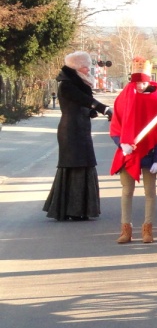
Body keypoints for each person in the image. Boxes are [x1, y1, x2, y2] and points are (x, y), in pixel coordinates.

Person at [43, 51, 112, 221]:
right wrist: (103, 109)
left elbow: (82, 103)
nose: (88, 69)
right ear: (77, 67)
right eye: (85, 66)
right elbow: (82, 99)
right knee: (75, 166)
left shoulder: (77, 83)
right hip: (71, 131)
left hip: (79, 128)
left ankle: (79, 208)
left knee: (83, 165)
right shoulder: (67, 85)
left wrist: (90, 112)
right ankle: (72, 209)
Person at [109, 56, 157, 244]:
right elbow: (116, 125)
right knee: (127, 191)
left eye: (143, 82)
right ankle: (125, 229)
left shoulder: (155, 100)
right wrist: (121, 143)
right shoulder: (124, 98)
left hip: (150, 153)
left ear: (148, 81)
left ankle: (147, 229)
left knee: (150, 192)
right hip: (128, 153)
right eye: (137, 82)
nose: (140, 86)